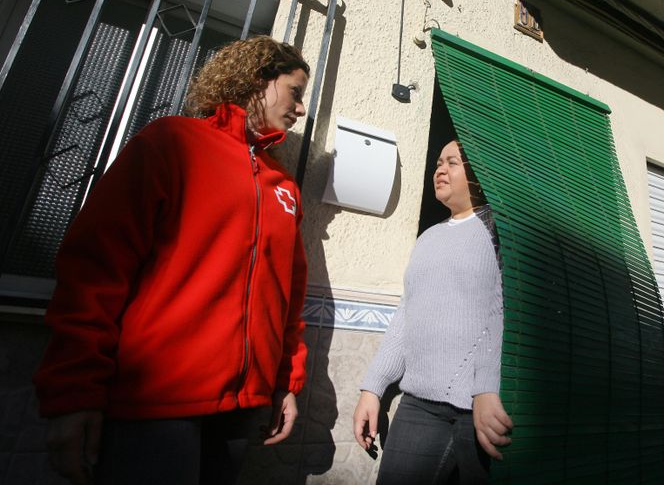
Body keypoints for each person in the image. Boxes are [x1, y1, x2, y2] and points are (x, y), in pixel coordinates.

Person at [33, 36, 311, 485]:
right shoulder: (172, 142)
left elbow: (289, 295)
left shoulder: (283, 184)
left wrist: (286, 382)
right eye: (295, 92)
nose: (300, 109)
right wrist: (74, 391)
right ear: (258, 79)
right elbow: (95, 269)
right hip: (157, 404)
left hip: (242, 409)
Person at [352, 140, 514, 484]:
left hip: (481, 407)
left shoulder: (500, 230)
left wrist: (486, 387)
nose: (440, 170)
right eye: (439, 162)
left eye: (452, 163)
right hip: (419, 404)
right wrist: (373, 387)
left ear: (477, 172)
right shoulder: (428, 237)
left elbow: (505, 307)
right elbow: (407, 314)